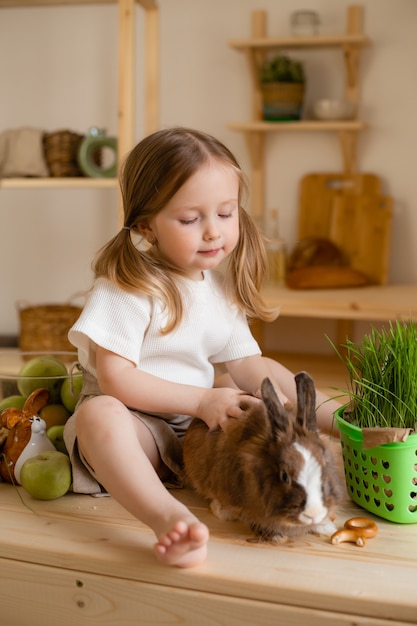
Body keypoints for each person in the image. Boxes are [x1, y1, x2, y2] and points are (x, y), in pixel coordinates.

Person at [64, 127, 340, 568]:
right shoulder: (125, 287)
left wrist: (344, 417)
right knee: (99, 414)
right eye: (191, 220)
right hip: (139, 431)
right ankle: (166, 516)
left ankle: (353, 423)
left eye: (226, 214)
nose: (213, 233)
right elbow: (115, 379)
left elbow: (251, 365)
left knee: (243, 382)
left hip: (196, 433)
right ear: (145, 225)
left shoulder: (217, 286)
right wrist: (200, 399)